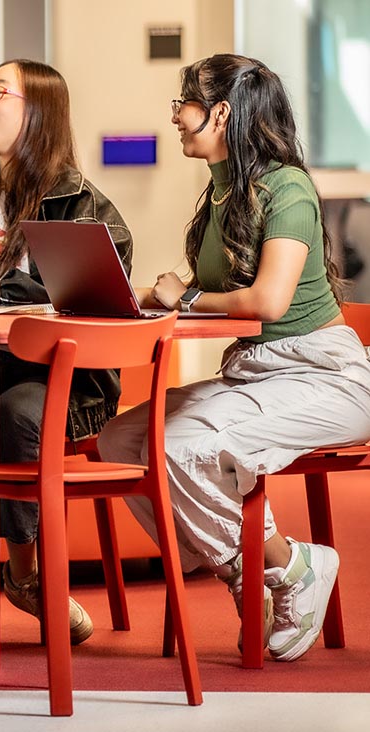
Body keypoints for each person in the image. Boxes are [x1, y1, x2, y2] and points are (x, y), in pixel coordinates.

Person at [98, 54, 370, 662]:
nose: (174, 117)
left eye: (182, 105)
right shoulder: (223, 192)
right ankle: (249, 571)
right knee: (119, 441)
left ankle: (291, 565)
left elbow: (268, 300)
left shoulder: (287, 185)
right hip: (257, 372)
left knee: (181, 445)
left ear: (220, 112)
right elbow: (219, 300)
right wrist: (149, 296)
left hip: (325, 375)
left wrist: (187, 294)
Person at [0, 59, 135, 645]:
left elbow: (104, 307)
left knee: (20, 412)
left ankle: (22, 573)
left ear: (39, 112)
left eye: (0, 91)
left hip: (64, 381)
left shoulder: (84, 206)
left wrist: (13, 294)